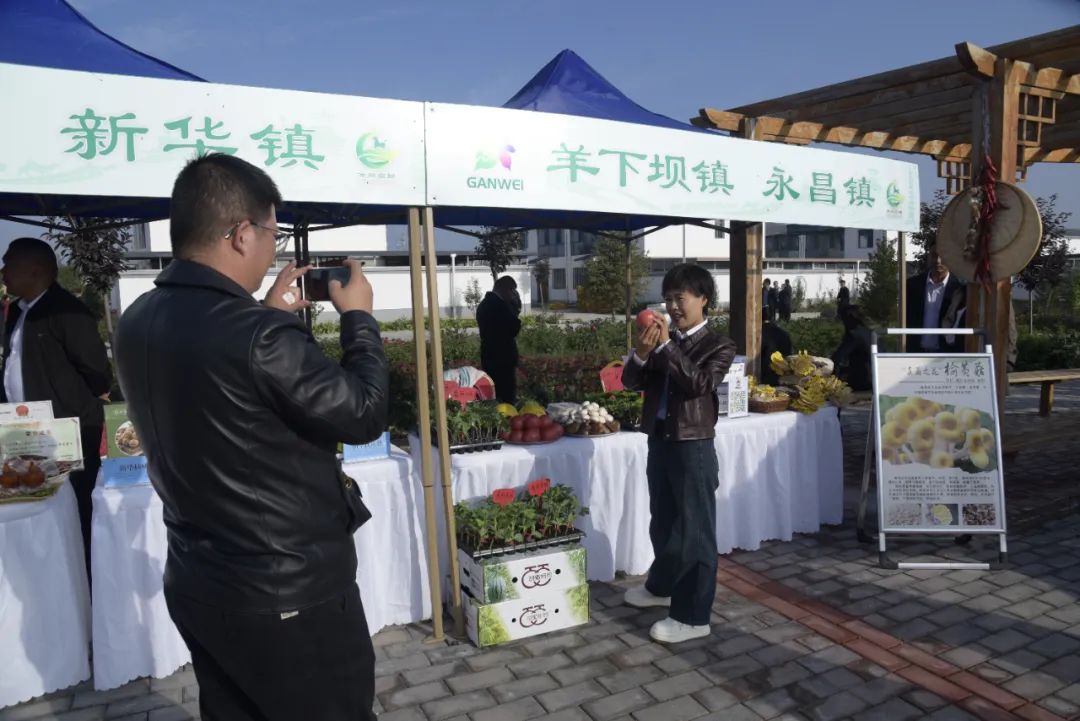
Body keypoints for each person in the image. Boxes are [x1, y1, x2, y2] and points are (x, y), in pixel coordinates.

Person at [116, 154, 388, 721]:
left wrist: (266, 315)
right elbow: (362, 414)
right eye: (272, 233)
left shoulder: (139, 317)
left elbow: (229, 396)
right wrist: (359, 319)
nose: (273, 249)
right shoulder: (258, 336)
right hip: (286, 595)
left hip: (199, 580)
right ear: (242, 234)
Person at [621, 263, 736, 644]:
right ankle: (662, 587)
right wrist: (640, 354)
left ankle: (692, 615)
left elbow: (699, 383)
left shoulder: (719, 344)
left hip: (693, 445)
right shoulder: (662, 342)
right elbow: (630, 382)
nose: (672, 306)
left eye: (680, 298)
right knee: (663, 521)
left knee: (695, 532)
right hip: (660, 440)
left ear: (703, 299)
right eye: (668, 299)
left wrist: (666, 346)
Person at [1, 237, 111, 573]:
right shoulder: (16, 312)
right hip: (22, 434)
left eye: (9, 264)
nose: (3, 272)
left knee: (74, 510)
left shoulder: (67, 312)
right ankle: (42, 579)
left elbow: (96, 370)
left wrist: (75, 400)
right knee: (30, 509)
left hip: (66, 434)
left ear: (35, 270)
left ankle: (83, 577)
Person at [905, 246, 966, 353]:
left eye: (943, 256)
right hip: (915, 353)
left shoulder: (959, 290)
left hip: (946, 354)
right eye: (934, 255)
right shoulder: (912, 285)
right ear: (928, 256)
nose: (938, 260)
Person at [476, 275, 522, 404]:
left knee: (493, 394)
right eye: (512, 291)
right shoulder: (500, 306)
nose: (513, 295)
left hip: (488, 356)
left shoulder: (484, 304)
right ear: (506, 289)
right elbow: (513, 328)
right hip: (503, 359)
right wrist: (515, 309)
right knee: (506, 397)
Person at [832, 306, 873, 391]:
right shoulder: (870, 333)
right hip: (875, 379)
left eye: (844, 319)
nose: (843, 323)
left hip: (863, 382)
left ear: (850, 318)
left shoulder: (855, 335)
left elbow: (838, 357)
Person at [761, 319, 794, 386]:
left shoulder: (759, 333)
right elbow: (789, 358)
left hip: (762, 378)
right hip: (781, 378)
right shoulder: (784, 334)